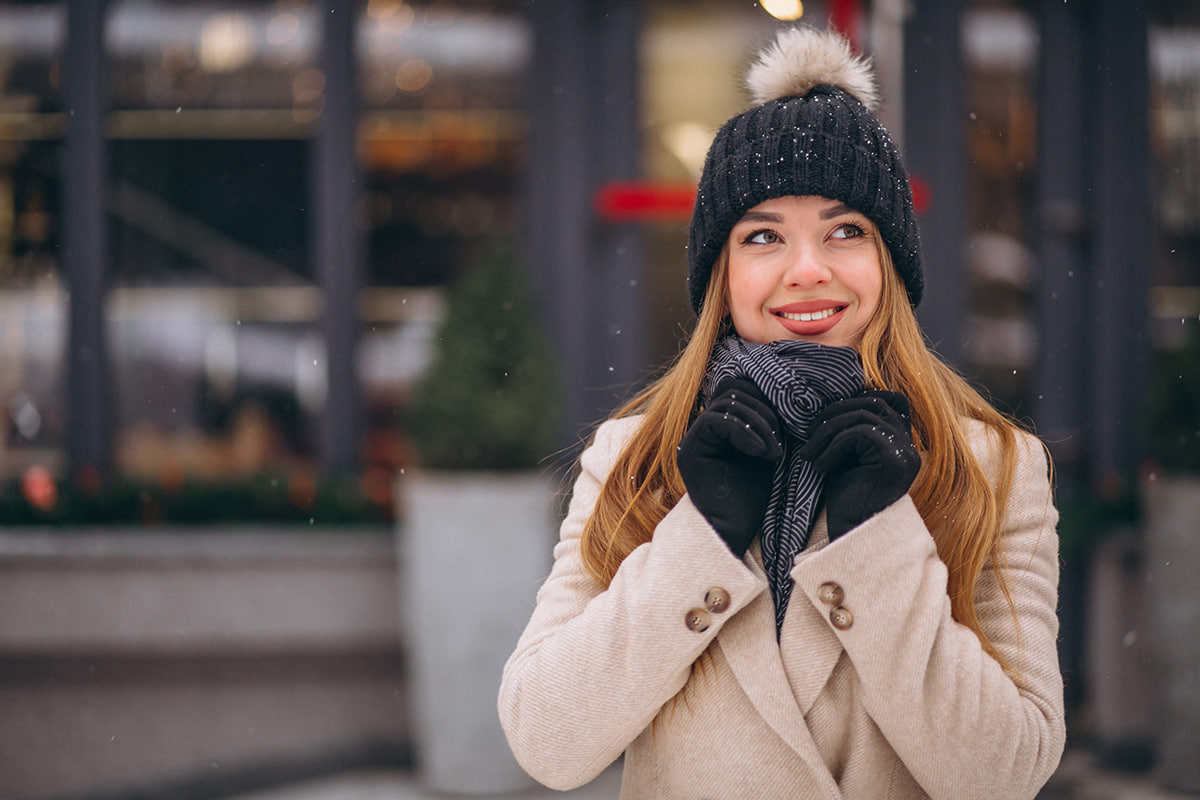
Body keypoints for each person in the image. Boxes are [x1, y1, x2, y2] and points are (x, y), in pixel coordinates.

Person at [499, 25, 1064, 800]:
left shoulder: (994, 467)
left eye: (845, 231)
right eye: (763, 235)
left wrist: (879, 544)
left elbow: (1009, 774)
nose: (807, 270)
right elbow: (546, 740)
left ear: (889, 265)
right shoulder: (637, 454)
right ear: (721, 275)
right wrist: (700, 540)